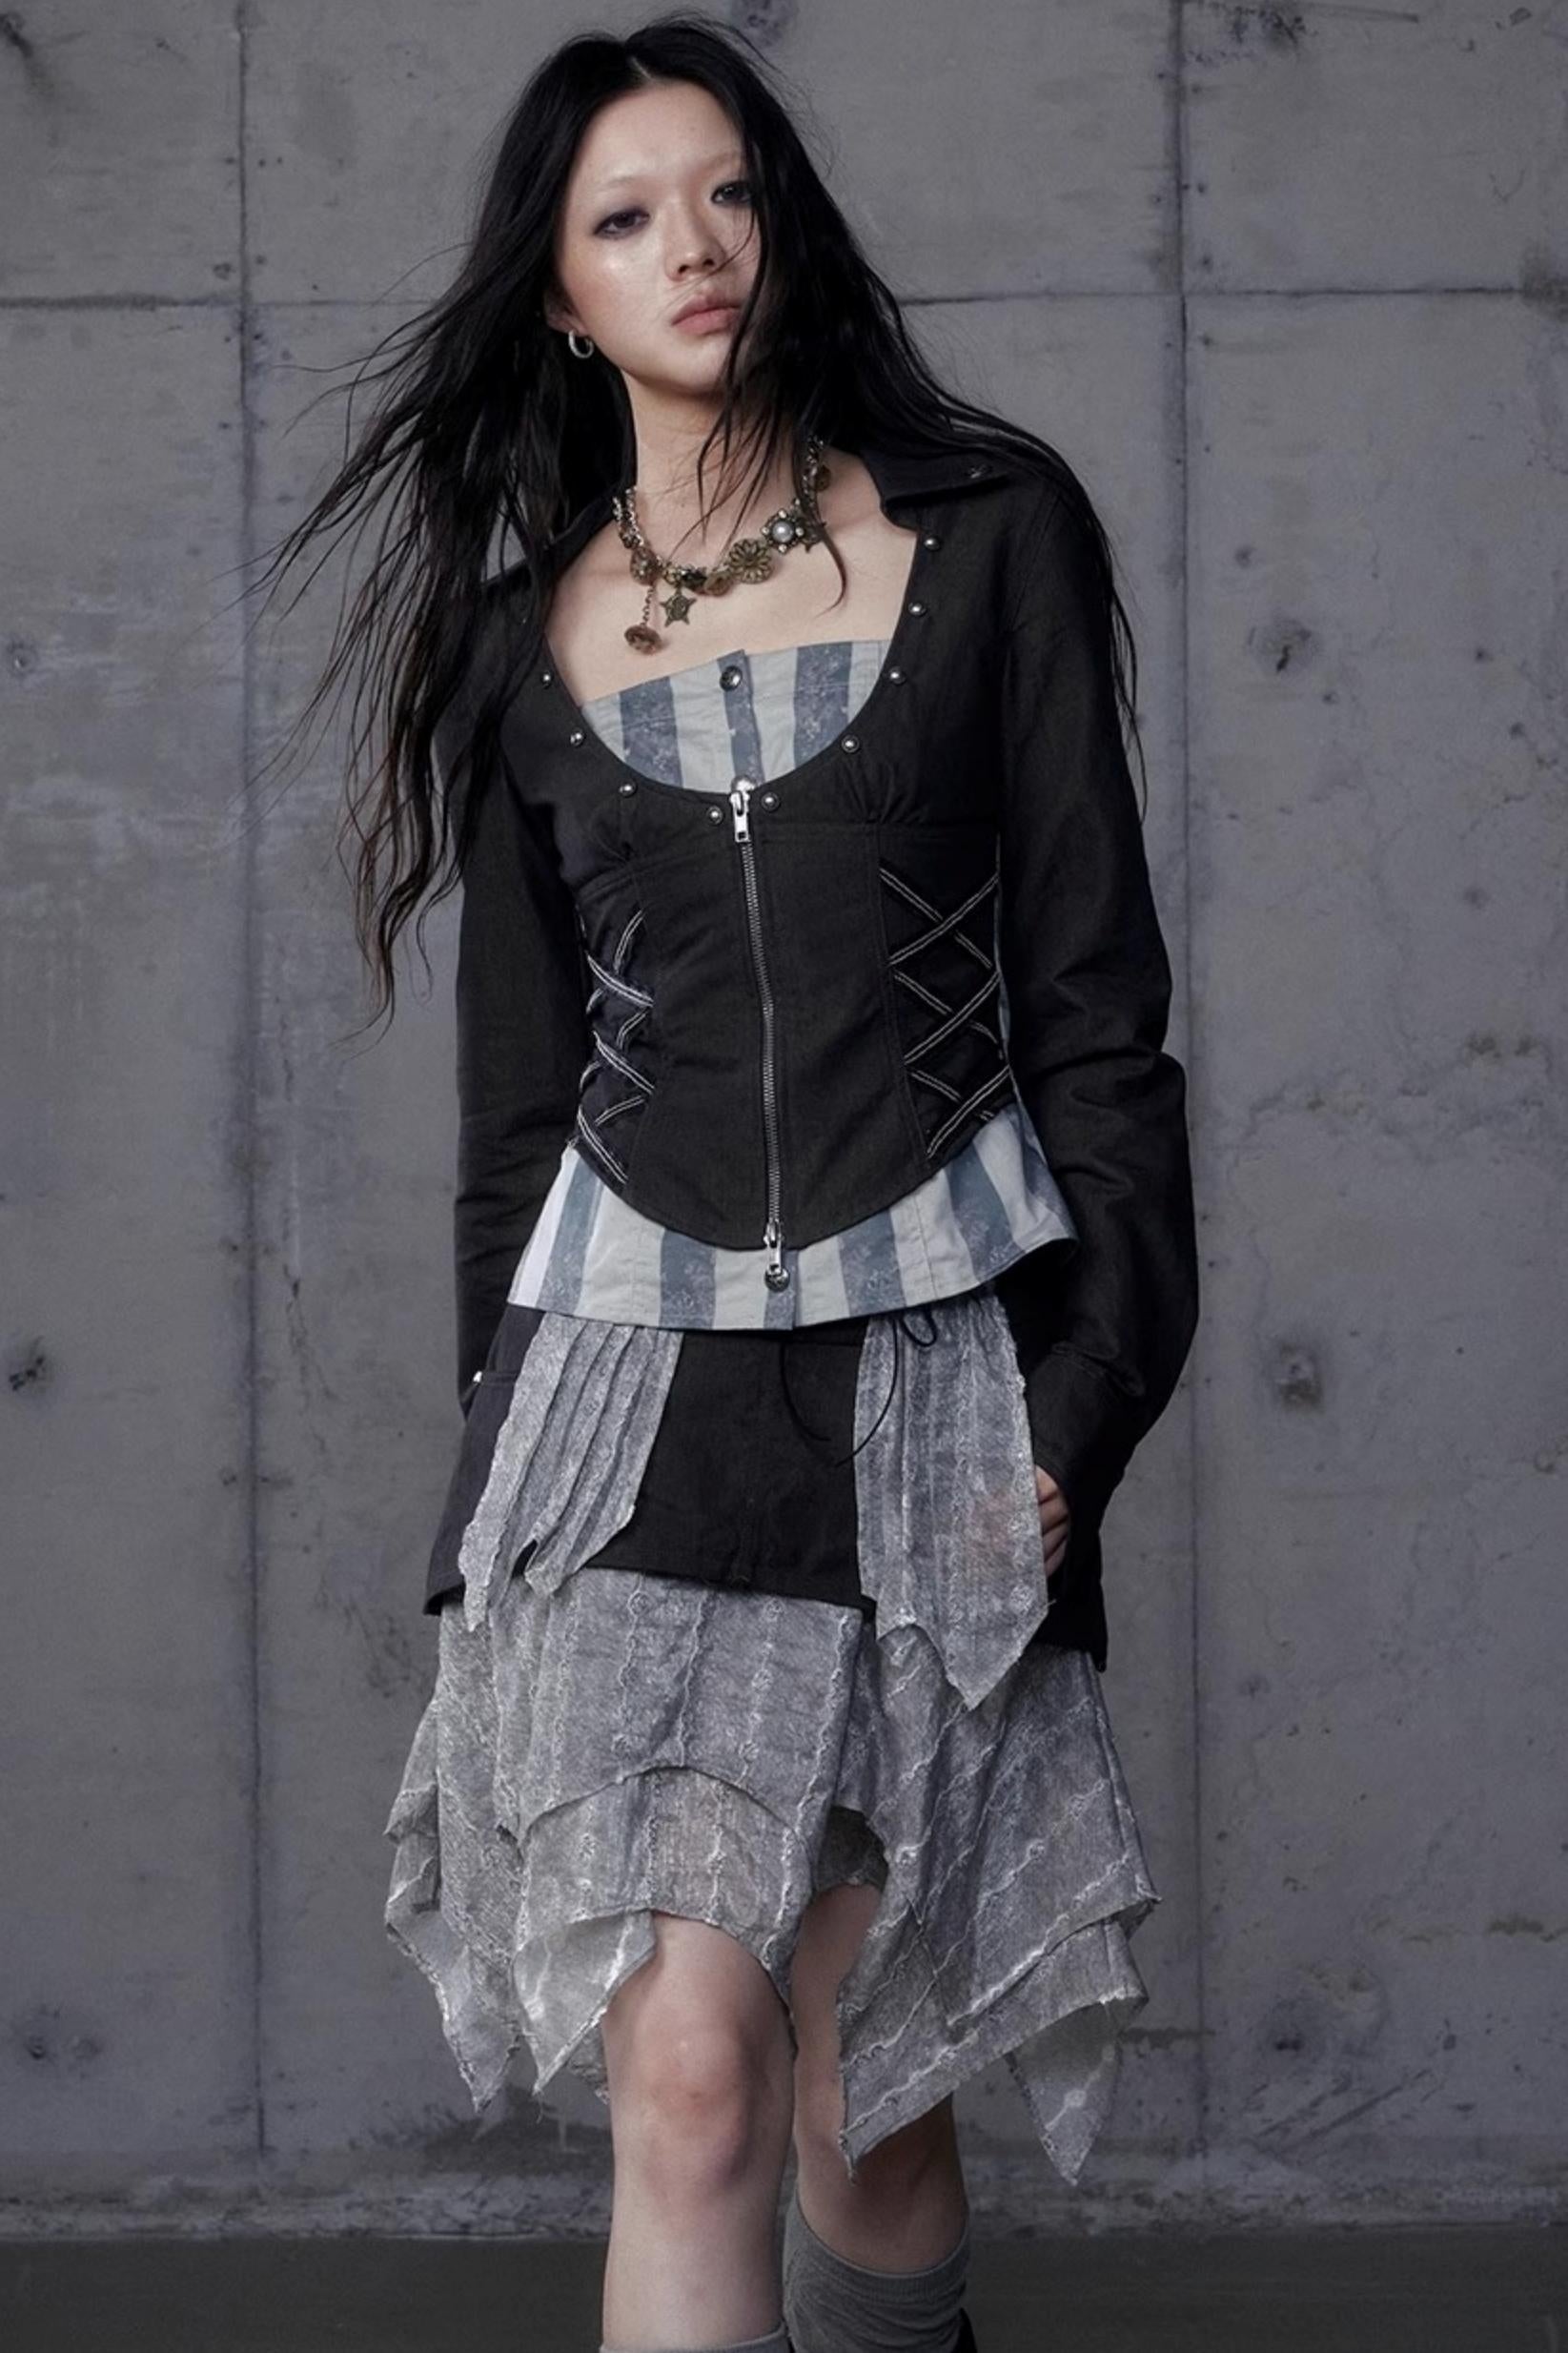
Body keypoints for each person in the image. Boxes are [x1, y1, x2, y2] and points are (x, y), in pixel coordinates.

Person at [257, 17, 1198, 2351]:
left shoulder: (993, 542)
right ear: (559, 295)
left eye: (726, 192)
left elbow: (1099, 1024)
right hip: (627, 1413)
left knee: (869, 2097)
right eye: (623, 217)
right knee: (683, 2087)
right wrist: (495, 1469)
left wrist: (1080, 1408)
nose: (690, 247)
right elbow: (514, 1127)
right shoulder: (515, 651)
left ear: (781, 220)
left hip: (934, 1392)